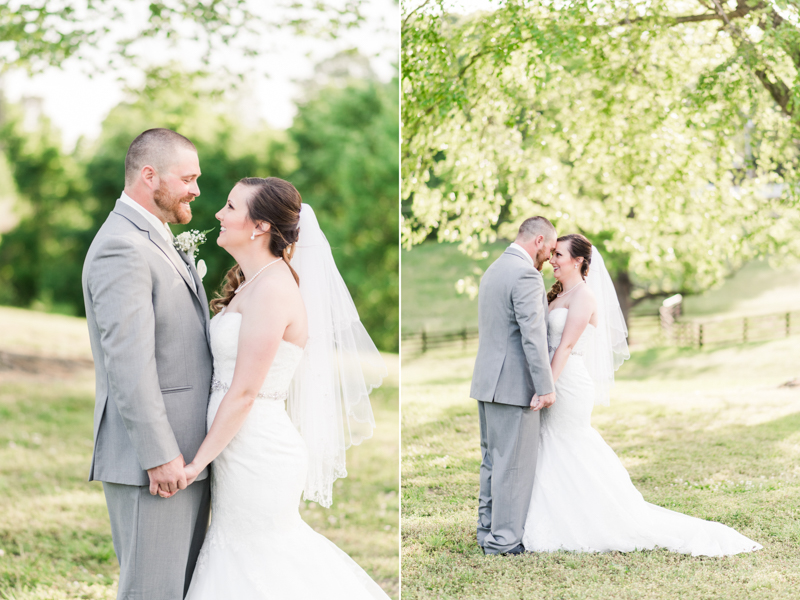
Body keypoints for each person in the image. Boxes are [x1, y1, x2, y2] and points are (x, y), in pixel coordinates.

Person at [182, 177, 390, 598]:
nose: (219, 214)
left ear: (259, 226)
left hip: (258, 452)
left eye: (230, 207)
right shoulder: (251, 282)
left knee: (261, 562)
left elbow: (244, 392)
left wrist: (195, 464)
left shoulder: (275, 289)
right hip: (237, 447)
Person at [522, 233, 762, 556]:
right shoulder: (555, 296)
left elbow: (565, 346)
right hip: (553, 377)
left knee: (570, 442)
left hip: (569, 383)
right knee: (551, 444)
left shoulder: (584, 297)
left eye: (558, 255)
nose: (552, 260)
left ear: (578, 261)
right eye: (552, 255)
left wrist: (547, 387)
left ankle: (597, 517)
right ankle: (551, 514)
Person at [82, 128, 212, 599]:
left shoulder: (154, 237)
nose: (197, 189)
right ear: (149, 175)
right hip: (156, 464)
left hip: (185, 457)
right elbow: (128, 365)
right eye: (189, 178)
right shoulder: (123, 247)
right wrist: (160, 456)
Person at [469, 216, 558, 555]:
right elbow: (532, 337)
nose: (549, 258)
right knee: (513, 466)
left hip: (487, 382)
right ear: (538, 241)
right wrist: (545, 386)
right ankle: (504, 541)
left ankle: (486, 532)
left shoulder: (493, 269)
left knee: (492, 461)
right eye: (549, 249)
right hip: (514, 385)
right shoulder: (525, 275)